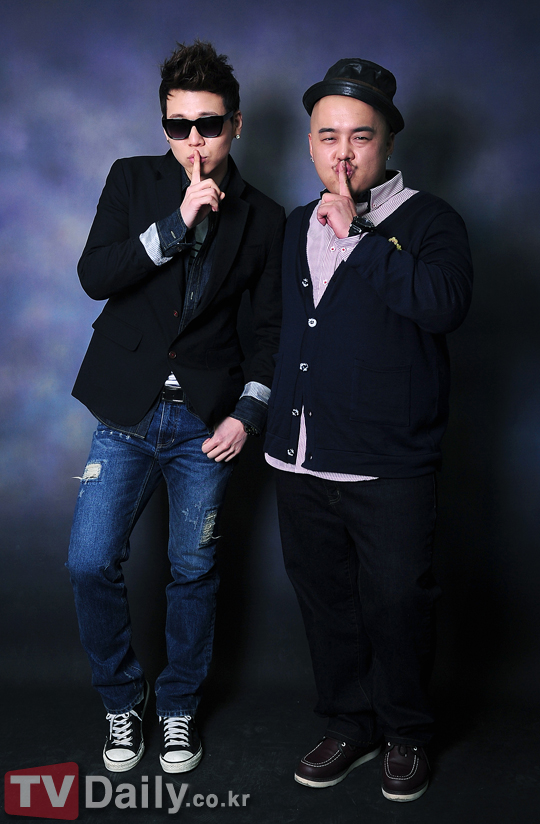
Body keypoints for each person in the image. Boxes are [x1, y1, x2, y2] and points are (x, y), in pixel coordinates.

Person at [67, 40, 284, 774]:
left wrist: (247, 414)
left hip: (204, 424)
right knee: (89, 562)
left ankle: (180, 707)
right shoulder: (132, 180)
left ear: (236, 125)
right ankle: (122, 701)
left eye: (209, 124)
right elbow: (95, 274)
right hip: (125, 414)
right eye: (178, 125)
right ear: (164, 126)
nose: (194, 141)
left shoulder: (265, 218)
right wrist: (174, 224)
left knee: (193, 571)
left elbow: (269, 334)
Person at [265, 58, 473, 802]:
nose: (343, 153)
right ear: (310, 145)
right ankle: (349, 723)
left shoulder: (430, 220)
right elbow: (284, 331)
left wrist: (359, 235)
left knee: (398, 605)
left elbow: (442, 304)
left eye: (360, 136)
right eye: (328, 136)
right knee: (328, 605)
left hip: (389, 466)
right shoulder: (295, 225)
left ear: (387, 142)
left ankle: (406, 731)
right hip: (300, 461)